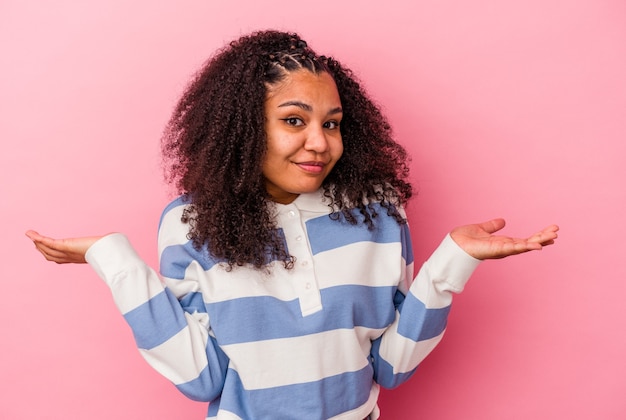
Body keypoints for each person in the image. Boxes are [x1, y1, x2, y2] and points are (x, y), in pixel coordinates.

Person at [26, 30, 558, 420]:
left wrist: (450, 264)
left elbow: (392, 367)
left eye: (331, 123)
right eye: (294, 120)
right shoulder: (191, 224)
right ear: (242, 128)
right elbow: (201, 378)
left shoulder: (376, 209)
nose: (320, 142)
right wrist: (115, 260)